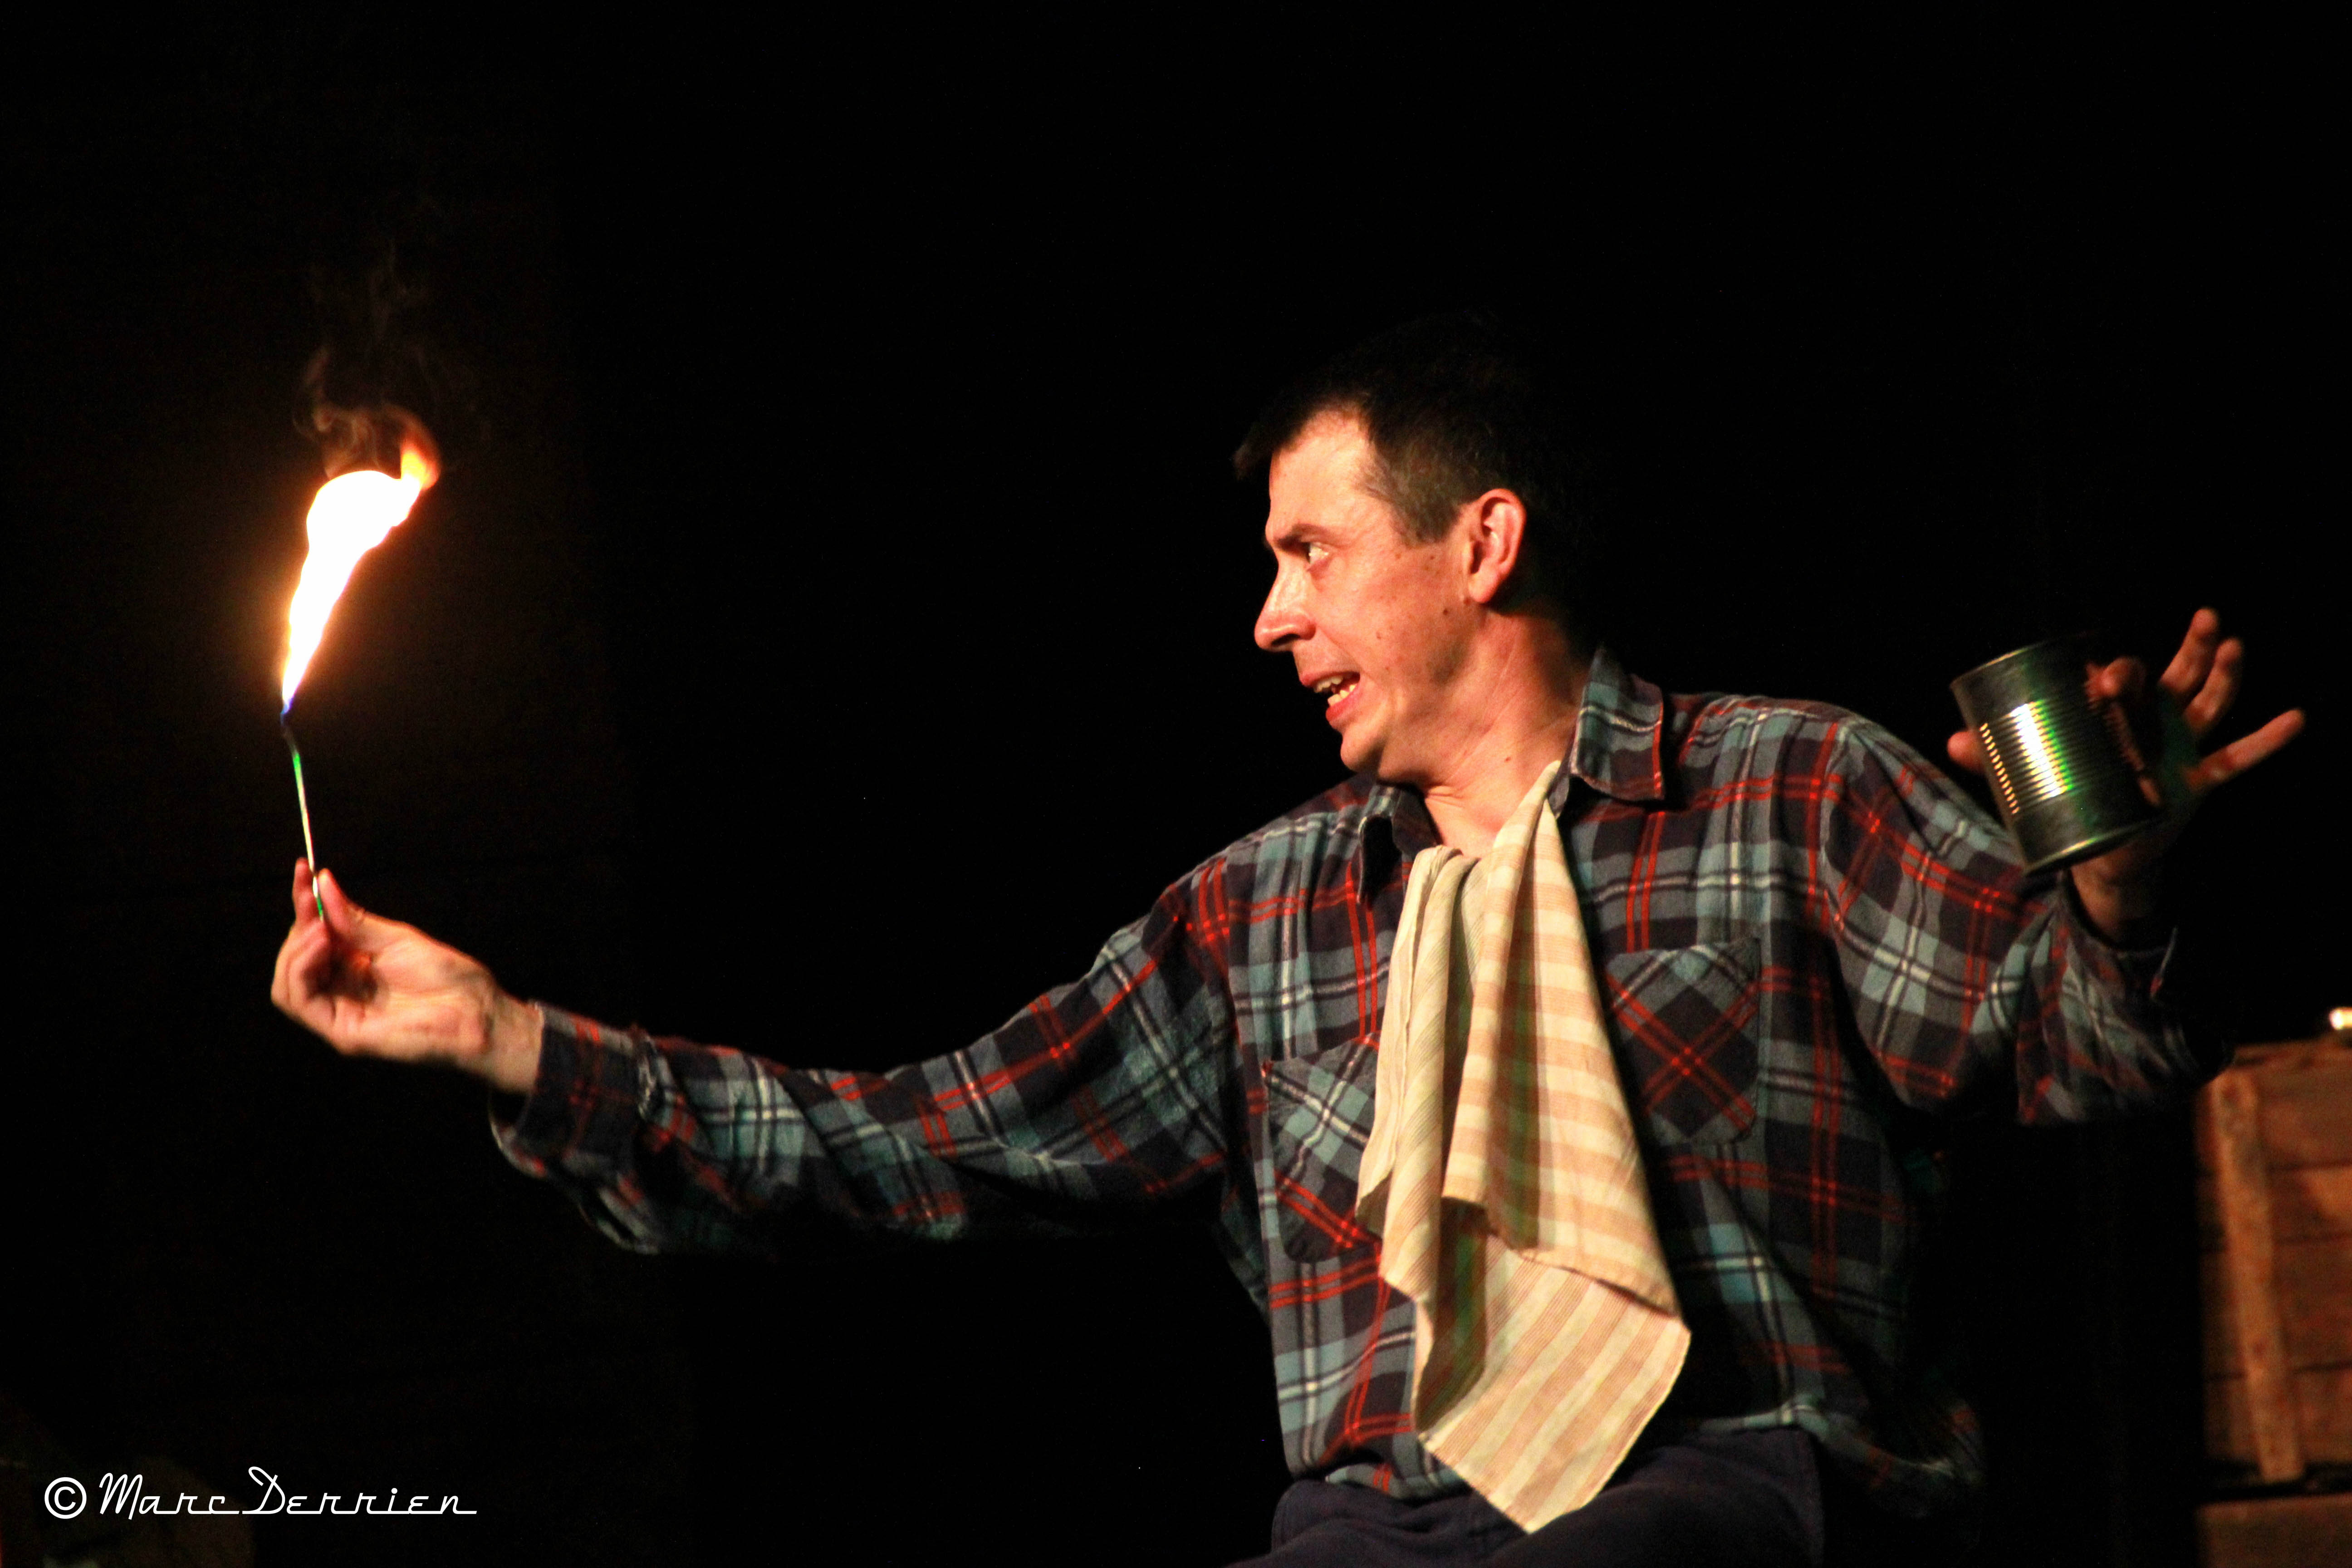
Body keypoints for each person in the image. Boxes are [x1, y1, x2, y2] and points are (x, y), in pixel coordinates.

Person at [271, 316, 2302, 1566]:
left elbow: (2086, 1047)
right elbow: (920, 1139)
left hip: (1735, 1486)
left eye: (1309, 554)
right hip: (1382, 1521)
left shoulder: (1787, 790)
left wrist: (2117, 877)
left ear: (1480, 545)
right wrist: (513, 1040)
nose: (1268, 616)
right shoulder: (1263, 917)